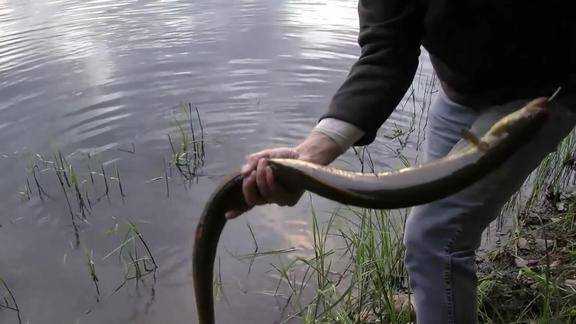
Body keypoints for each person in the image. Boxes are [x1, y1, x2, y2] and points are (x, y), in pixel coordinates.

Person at [226, 1, 575, 323]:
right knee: (436, 231)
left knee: (433, 236)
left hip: (545, 88)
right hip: (461, 93)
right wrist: (308, 157)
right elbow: (386, 51)